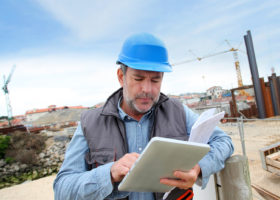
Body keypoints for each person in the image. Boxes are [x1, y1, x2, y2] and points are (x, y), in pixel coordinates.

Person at [53, 33, 234, 200]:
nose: (147, 89)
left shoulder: (178, 111)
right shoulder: (89, 123)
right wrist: (109, 173)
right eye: (138, 79)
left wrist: (199, 167)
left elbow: (224, 141)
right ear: (120, 76)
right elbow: (62, 189)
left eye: (155, 80)